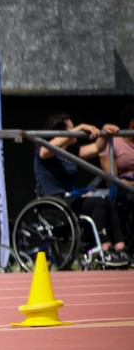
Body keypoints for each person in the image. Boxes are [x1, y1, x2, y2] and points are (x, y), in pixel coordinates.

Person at [37, 113, 128, 266]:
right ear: (61, 132)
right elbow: (45, 151)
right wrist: (81, 127)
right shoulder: (45, 151)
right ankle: (104, 250)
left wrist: (105, 131)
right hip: (56, 202)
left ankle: (120, 248)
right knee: (97, 203)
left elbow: (96, 147)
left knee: (107, 201)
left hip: (71, 198)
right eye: (71, 129)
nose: (77, 133)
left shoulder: (71, 151)